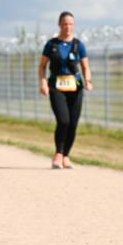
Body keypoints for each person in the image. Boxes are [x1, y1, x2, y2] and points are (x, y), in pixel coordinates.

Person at [38, 11, 92, 169]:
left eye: (70, 24)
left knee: (73, 123)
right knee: (63, 120)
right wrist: (43, 82)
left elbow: (85, 66)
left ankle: (66, 156)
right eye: (65, 24)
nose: (68, 27)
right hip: (56, 87)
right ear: (59, 25)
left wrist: (88, 81)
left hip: (75, 87)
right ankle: (58, 154)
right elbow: (42, 66)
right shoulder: (51, 45)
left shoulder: (78, 45)